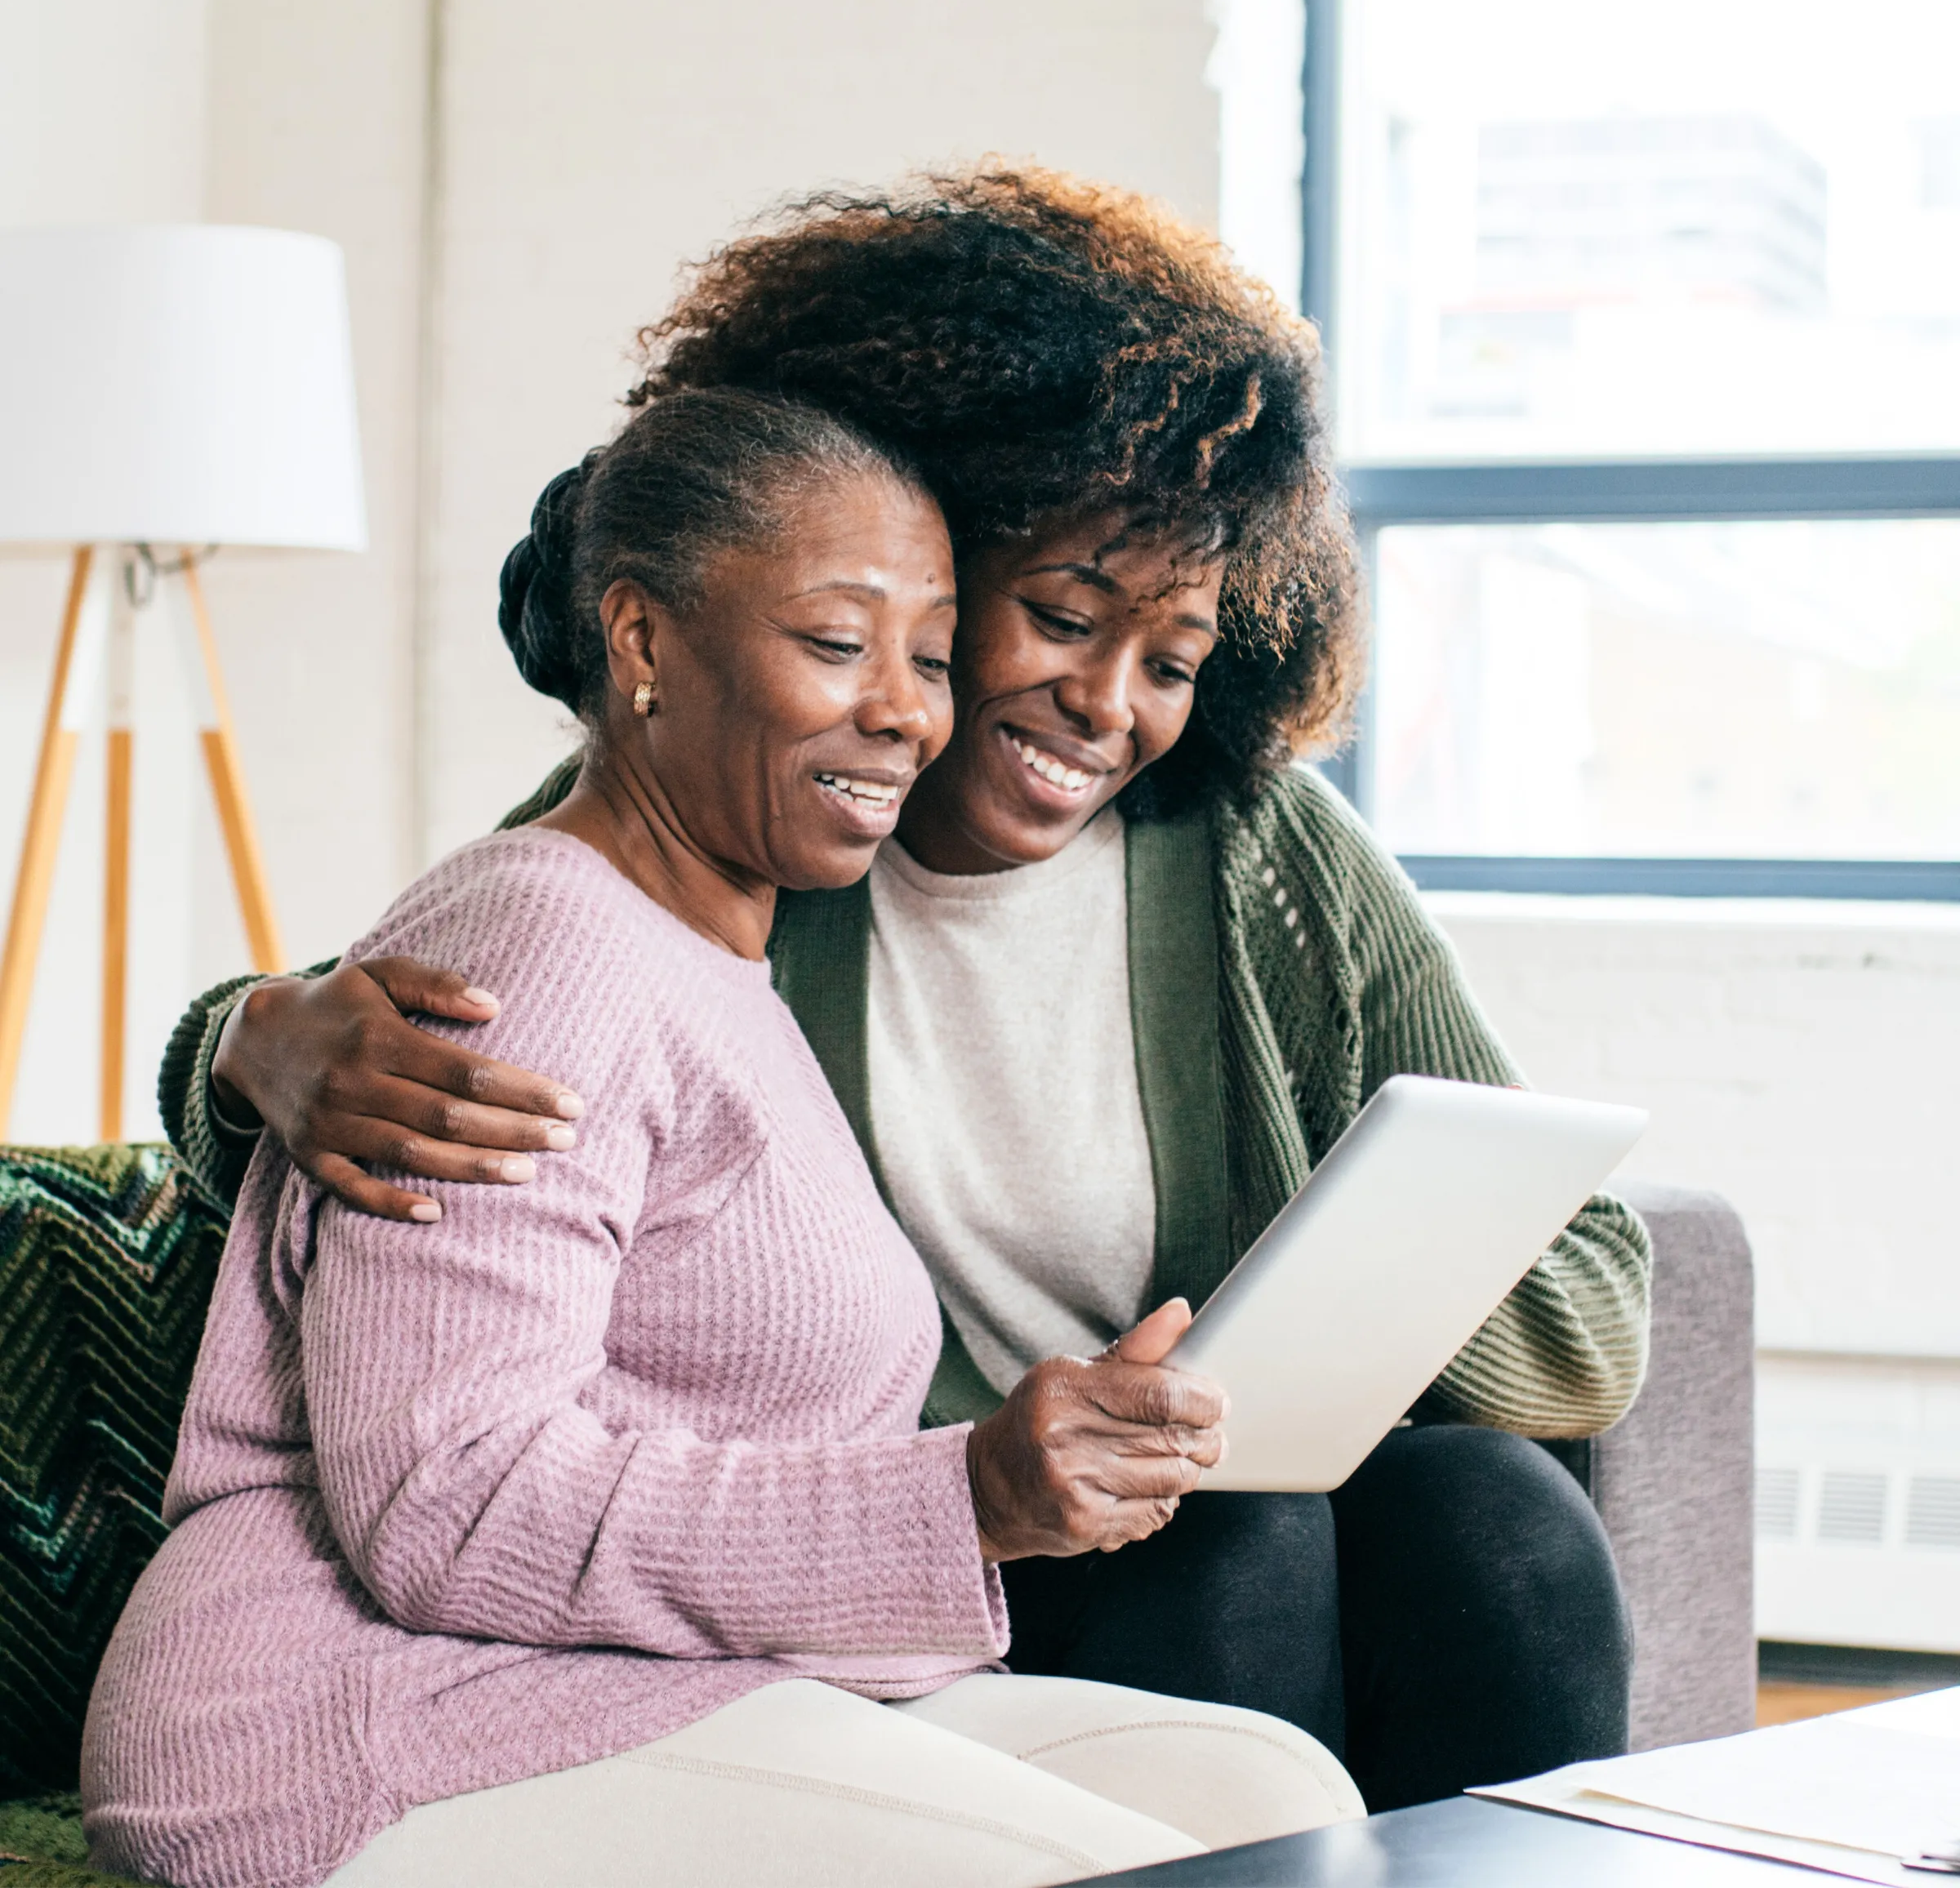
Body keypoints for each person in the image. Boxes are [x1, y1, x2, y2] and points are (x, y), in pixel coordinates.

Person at [158, 167, 1650, 1813]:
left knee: (1499, 1519)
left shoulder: (1262, 859)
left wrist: (1315, 1315)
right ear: (939, 545)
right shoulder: (730, 839)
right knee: (1244, 1545)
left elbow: (1590, 1293)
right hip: (926, 1537)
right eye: (1059, 619)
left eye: (1170, 660)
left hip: (1175, 1478)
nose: (1103, 707)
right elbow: (467, 1025)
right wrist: (243, 1042)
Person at [86, 389, 1362, 1888]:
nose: (905, 711)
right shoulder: (539, 947)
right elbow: (448, 1503)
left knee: (1275, 1792)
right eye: (837, 644)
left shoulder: (725, 963)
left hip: (645, 1683)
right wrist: (969, 1496)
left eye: (932, 660)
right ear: (642, 644)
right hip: (356, 1720)